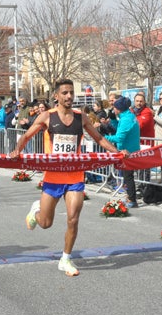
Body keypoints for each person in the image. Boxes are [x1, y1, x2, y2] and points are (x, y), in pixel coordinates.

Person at [9, 78, 125, 277]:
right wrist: (17, 150)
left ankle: (65, 258)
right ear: (56, 96)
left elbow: (99, 138)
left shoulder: (81, 118)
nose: (69, 96)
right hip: (53, 177)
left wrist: (116, 153)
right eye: (65, 93)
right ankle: (36, 211)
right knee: (46, 223)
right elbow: (27, 135)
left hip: (74, 177)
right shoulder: (47, 116)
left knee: (73, 219)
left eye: (71, 92)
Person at [106, 96, 140, 208]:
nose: (113, 110)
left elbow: (119, 138)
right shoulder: (126, 116)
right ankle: (129, 196)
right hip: (128, 149)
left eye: (114, 108)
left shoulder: (126, 119)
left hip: (128, 151)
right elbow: (119, 129)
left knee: (128, 176)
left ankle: (132, 200)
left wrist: (103, 138)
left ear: (119, 109)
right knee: (126, 176)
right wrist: (113, 120)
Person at [133, 92, 155, 190]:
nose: (139, 103)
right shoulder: (133, 111)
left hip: (146, 143)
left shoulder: (147, 112)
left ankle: (145, 187)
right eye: (137, 101)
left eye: (141, 101)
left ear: (144, 102)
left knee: (145, 166)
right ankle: (140, 185)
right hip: (138, 143)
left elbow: (139, 125)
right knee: (138, 165)